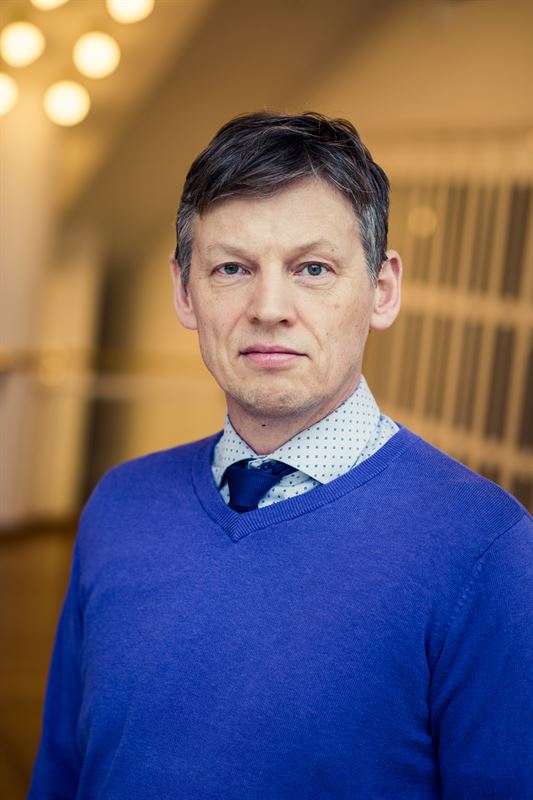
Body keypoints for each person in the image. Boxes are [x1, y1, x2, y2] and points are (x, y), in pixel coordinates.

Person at [29, 113, 532, 799]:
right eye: (231, 268)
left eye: (312, 269)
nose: (269, 308)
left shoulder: (486, 549)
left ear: (382, 290)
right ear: (184, 291)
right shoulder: (120, 503)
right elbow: (60, 774)